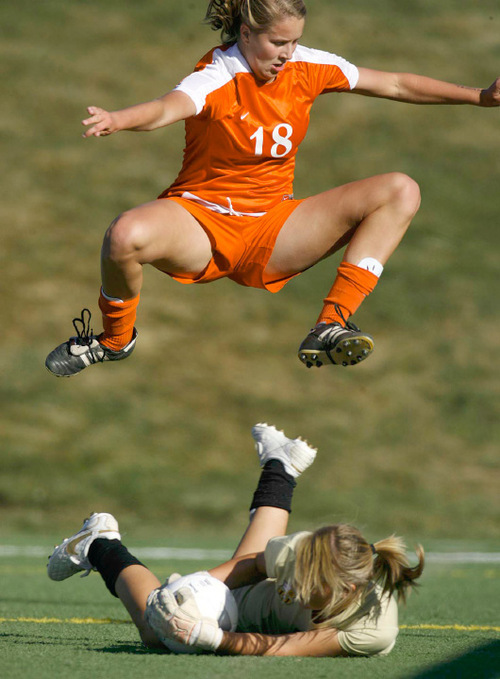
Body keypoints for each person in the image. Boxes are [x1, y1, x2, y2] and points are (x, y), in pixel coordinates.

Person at [45, 1, 500, 377]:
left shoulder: (308, 67)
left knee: (401, 190)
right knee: (124, 235)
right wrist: (117, 120)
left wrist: (481, 96)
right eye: (278, 42)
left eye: (294, 41)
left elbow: (396, 84)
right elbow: (167, 109)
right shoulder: (218, 75)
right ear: (245, 34)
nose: (288, 52)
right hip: (202, 222)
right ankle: (114, 340)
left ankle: (331, 324)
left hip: (274, 227)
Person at [47, 423, 424, 657]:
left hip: (249, 625)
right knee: (156, 626)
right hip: (242, 603)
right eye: (299, 571)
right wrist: (198, 589)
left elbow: (283, 648)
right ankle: (99, 542)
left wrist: (210, 637)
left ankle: (281, 466)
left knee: (159, 637)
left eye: (313, 585)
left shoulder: (372, 631)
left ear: (350, 588)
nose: (297, 584)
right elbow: (254, 561)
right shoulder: (306, 549)